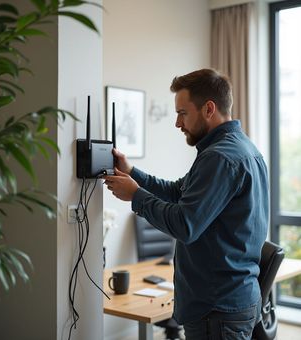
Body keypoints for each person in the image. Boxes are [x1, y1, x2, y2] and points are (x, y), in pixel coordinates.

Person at [104, 68, 268, 340]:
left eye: (182, 113)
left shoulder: (220, 158)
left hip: (217, 309)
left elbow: (185, 224)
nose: (177, 124)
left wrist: (136, 196)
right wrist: (132, 172)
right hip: (231, 301)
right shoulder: (241, 149)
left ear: (208, 109)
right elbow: (179, 191)